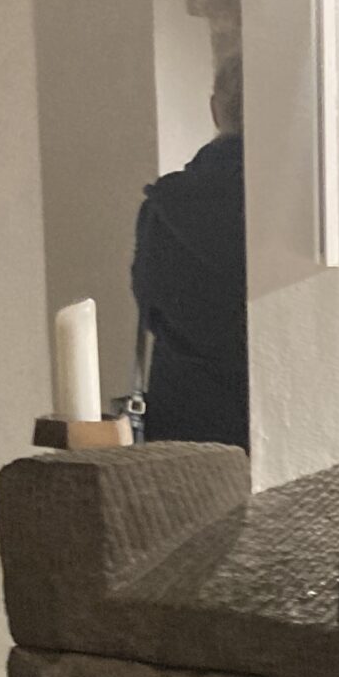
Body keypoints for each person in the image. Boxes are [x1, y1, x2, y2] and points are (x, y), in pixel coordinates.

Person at [132, 52, 250, 448]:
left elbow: (149, 307)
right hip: (269, 409)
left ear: (215, 110)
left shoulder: (164, 205)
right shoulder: (293, 204)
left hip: (182, 416)